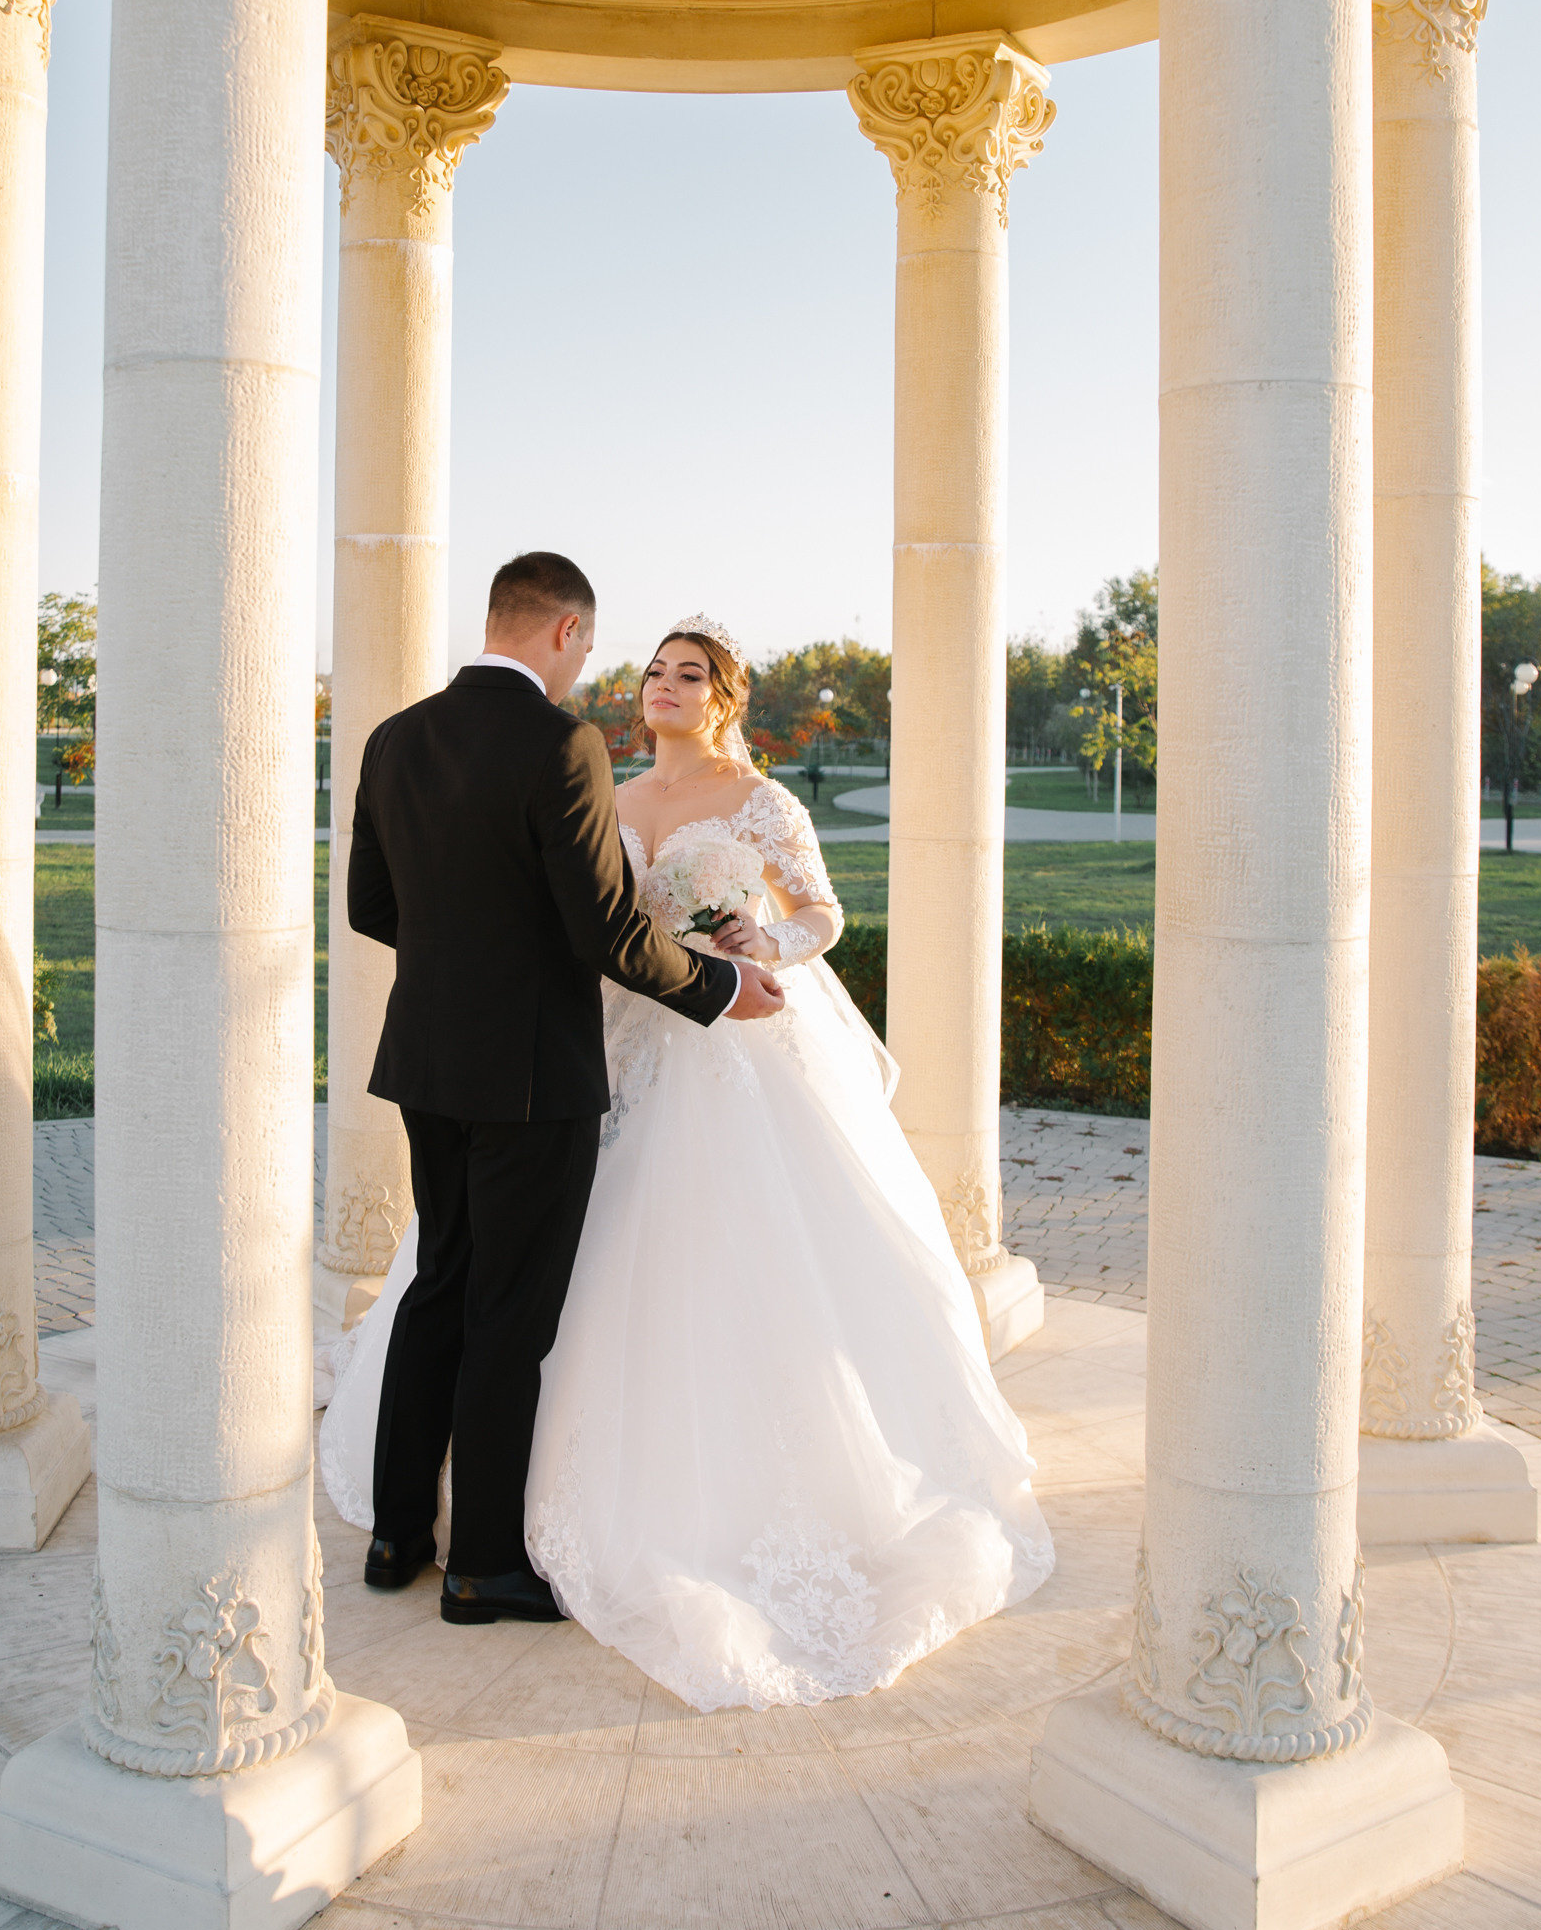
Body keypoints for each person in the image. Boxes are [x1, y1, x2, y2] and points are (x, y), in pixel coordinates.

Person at [323, 604, 1055, 1711]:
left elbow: (822, 913)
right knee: (515, 1285)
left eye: (689, 673)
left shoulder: (759, 801)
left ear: (724, 699)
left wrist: (771, 943)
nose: (662, 684)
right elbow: (590, 925)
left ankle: (518, 1521)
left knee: (646, 1266)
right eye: (656, 669)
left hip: (732, 1055)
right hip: (603, 1051)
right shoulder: (602, 789)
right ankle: (482, 1532)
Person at [342, 552, 786, 1631]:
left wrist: (462, 958)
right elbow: (602, 931)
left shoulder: (393, 737)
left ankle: (397, 1532)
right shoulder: (562, 744)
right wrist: (720, 987)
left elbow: (368, 905)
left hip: (425, 1062)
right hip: (533, 1075)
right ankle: (482, 1564)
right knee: (509, 1314)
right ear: (564, 633)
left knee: (437, 1284)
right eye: (589, 647)